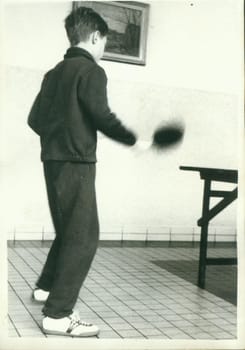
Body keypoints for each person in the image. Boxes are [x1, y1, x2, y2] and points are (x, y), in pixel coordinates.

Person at [27, 6, 138, 337]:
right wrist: (131, 138)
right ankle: (58, 314)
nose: (103, 49)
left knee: (68, 229)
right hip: (77, 163)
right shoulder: (92, 72)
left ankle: (47, 288)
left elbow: (35, 120)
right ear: (95, 37)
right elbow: (101, 115)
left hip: (53, 161)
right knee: (84, 237)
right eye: (104, 42)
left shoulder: (54, 72)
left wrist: (57, 139)